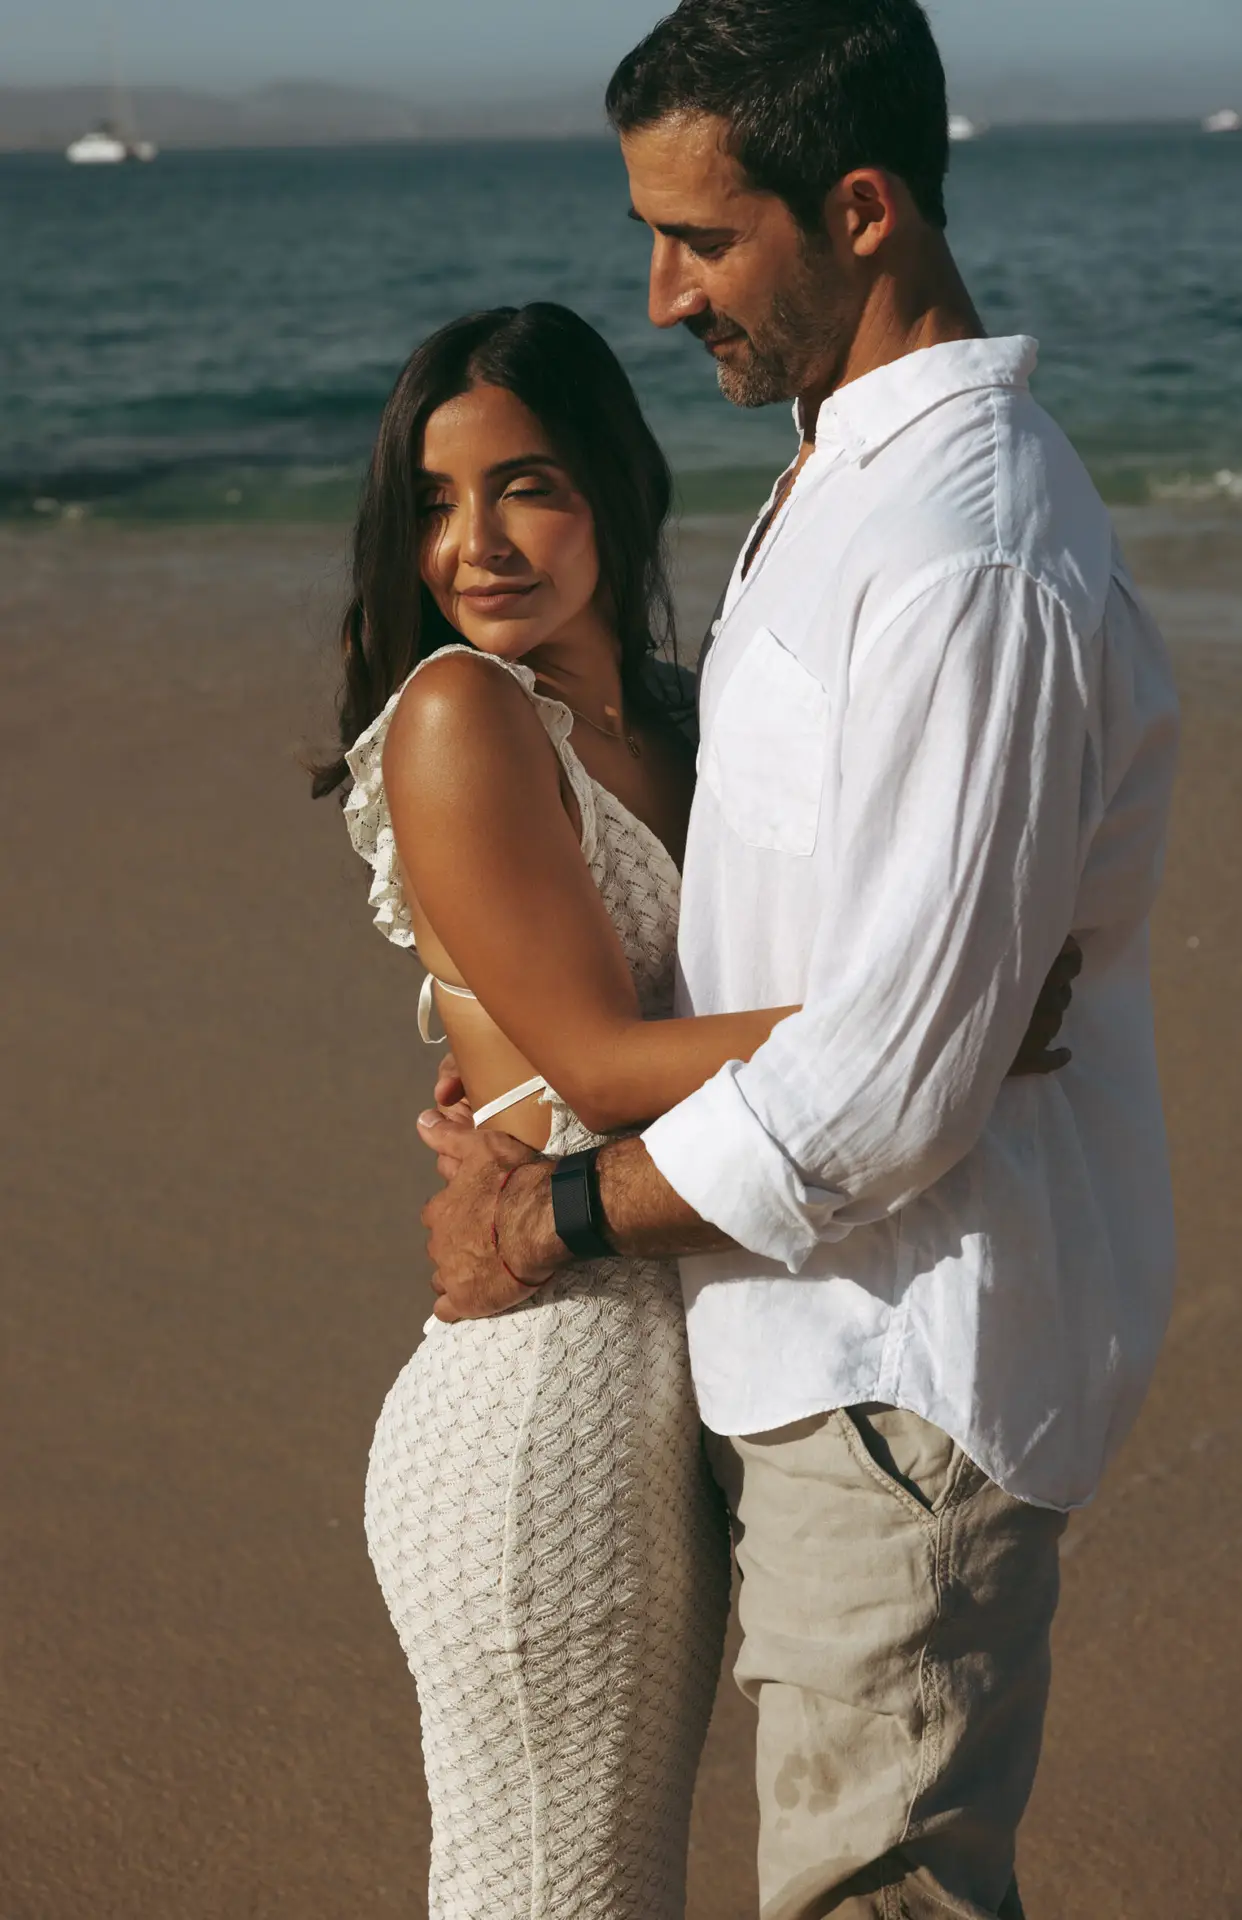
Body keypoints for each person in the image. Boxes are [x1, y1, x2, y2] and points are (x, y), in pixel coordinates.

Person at [419, 4, 1181, 1919]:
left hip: (901, 1358)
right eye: (648, 239)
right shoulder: (844, 484)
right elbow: (848, 986)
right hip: (795, 1339)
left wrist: (559, 1213)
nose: (662, 298)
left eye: (702, 238)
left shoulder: (961, 545)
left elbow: (899, 1082)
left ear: (859, 209)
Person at [313, 299, 1077, 1919]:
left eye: (524, 486)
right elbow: (594, 1066)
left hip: (685, 1366)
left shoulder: (687, 710)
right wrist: (947, 1017)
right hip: (544, 1390)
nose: (477, 545)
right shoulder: (464, 713)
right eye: (433, 505)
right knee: (555, 1896)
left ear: (610, 484)